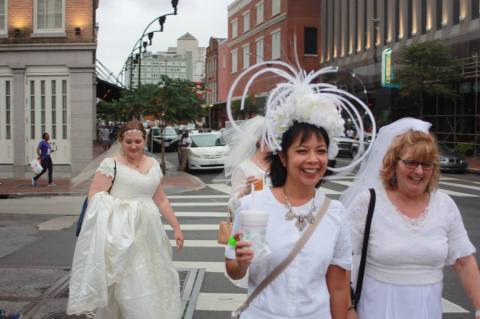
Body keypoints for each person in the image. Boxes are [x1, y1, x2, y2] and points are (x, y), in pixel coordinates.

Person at [223, 61, 376, 318]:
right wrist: (241, 261)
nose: (313, 160)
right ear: (283, 157)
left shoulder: (335, 213)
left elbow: (339, 287)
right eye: (302, 151)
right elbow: (231, 264)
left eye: (321, 151)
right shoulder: (251, 206)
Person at [341, 118, 480, 319]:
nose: (419, 171)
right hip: (377, 311)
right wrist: (347, 309)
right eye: (411, 163)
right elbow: (341, 260)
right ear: (394, 163)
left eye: (426, 164)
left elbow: (463, 261)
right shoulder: (369, 202)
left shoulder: (444, 205)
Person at [67, 120, 184, 319]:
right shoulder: (110, 164)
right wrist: (121, 209)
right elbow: (94, 195)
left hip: (150, 230)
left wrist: (176, 228)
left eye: (137, 141)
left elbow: (161, 199)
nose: (133, 146)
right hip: (122, 232)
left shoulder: (154, 165)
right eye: (128, 141)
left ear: (144, 141)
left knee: (152, 273)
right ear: (120, 141)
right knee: (128, 279)